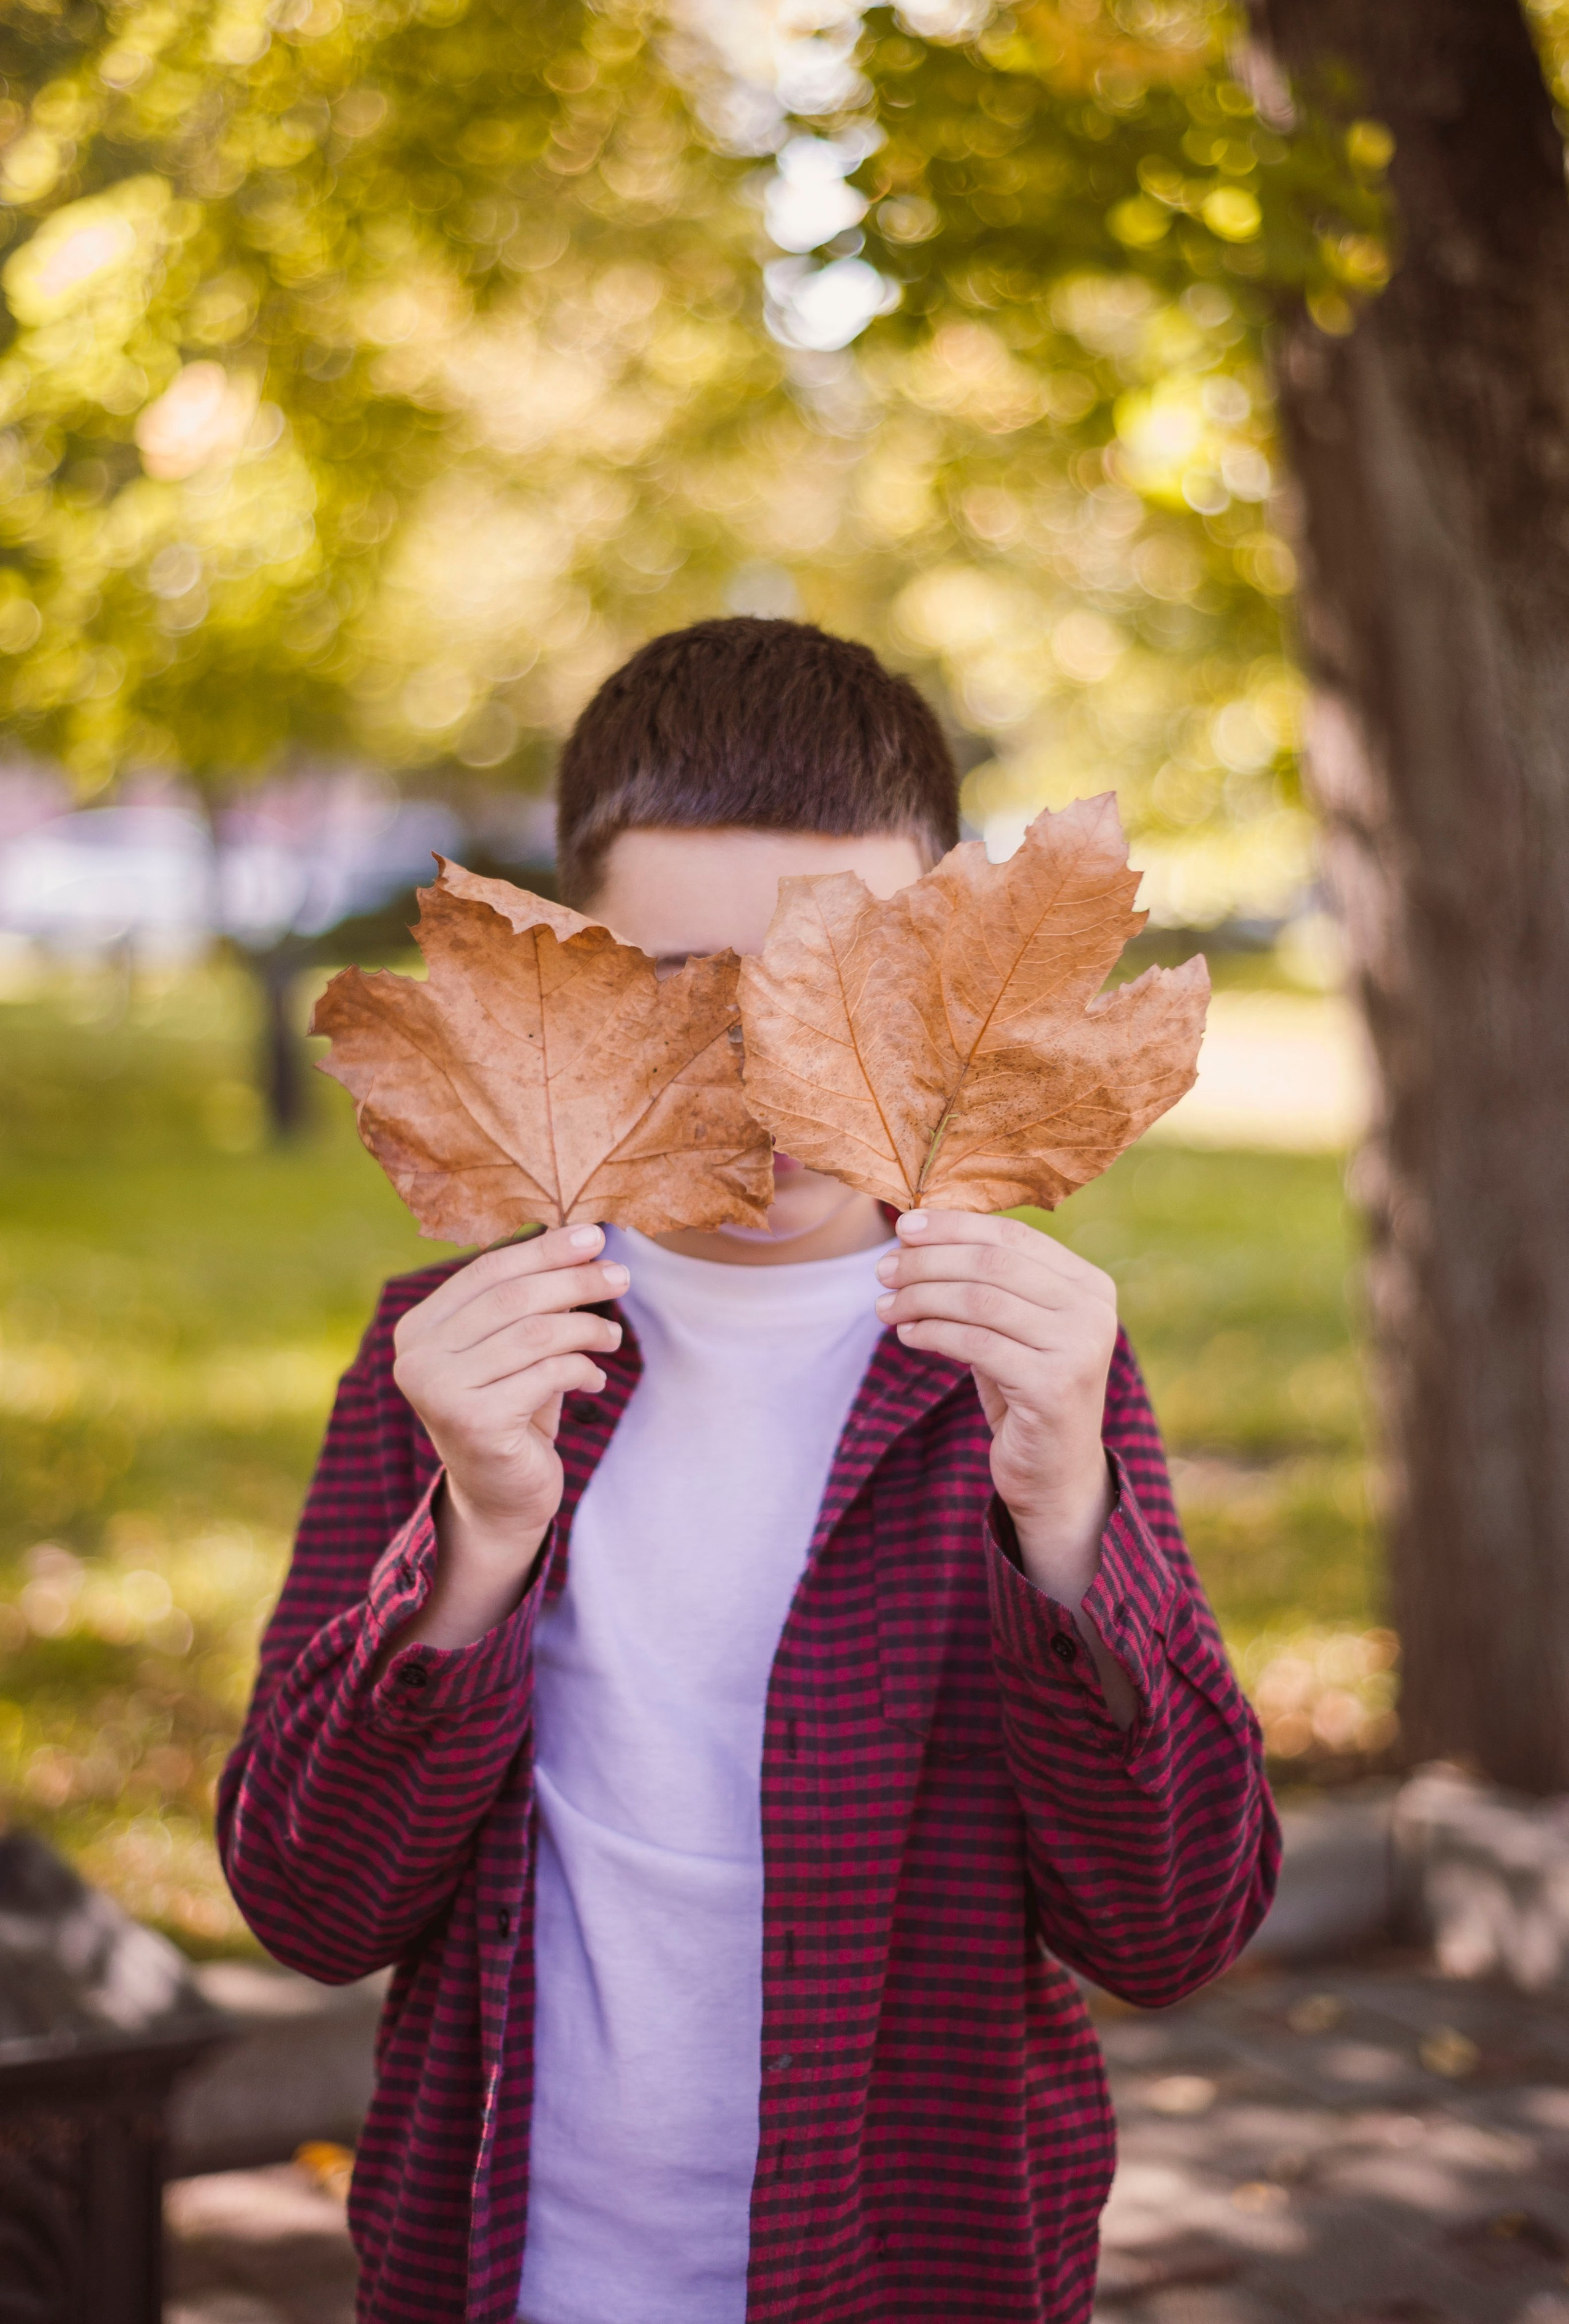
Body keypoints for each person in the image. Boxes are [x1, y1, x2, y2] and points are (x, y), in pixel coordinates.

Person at [218, 617, 1279, 2324]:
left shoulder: (1022, 1379)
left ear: (943, 990)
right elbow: (310, 1903)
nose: (771, 1062)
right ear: (567, 979)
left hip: (915, 2263)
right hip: (506, 2266)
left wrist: (1070, 1516)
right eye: (684, 988)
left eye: (842, 986)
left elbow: (1172, 1929)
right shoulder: (457, 1361)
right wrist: (476, 1545)